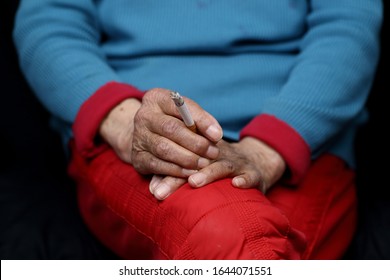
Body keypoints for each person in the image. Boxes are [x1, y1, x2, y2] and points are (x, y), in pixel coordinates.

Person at [13, 0, 383, 259]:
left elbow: (349, 26)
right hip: (138, 134)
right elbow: (49, 24)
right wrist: (129, 126)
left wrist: (267, 150)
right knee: (229, 239)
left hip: (301, 142)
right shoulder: (137, 130)